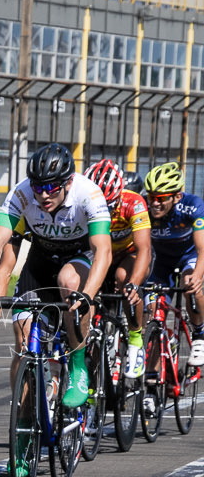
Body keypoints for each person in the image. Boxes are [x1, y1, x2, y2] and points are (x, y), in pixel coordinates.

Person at [0, 143, 112, 412]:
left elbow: (103, 251)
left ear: (68, 182)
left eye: (52, 187)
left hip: (80, 256)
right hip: (42, 259)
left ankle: (79, 363)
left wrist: (87, 296)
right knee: (23, 342)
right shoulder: (21, 194)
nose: (44, 195)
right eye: (38, 187)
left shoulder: (88, 194)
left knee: (69, 281)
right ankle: (24, 418)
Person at [85, 158, 150, 377]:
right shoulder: (82, 201)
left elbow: (144, 250)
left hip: (128, 254)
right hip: (98, 254)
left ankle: (135, 339)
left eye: (109, 205)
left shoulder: (134, 202)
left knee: (125, 278)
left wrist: (134, 284)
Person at [141, 161, 204, 367]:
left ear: (177, 196)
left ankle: (199, 334)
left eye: (161, 198)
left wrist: (197, 275)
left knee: (190, 284)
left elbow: (202, 248)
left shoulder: (192, 205)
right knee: (153, 314)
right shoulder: (143, 208)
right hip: (160, 262)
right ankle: (151, 386)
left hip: (188, 256)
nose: (154, 203)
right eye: (151, 197)